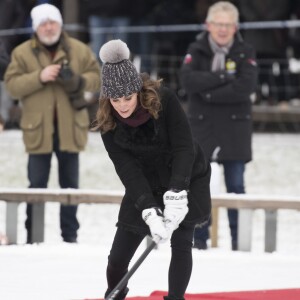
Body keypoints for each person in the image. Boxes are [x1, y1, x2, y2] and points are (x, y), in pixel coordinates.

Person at [94, 39, 211, 300]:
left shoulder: (164, 99)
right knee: (117, 257)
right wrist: (148, 209)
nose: (122, 105)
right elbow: (126, 169)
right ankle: (116, 293)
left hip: (185, 172)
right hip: (144, 180)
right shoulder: (107, 123)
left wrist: (177, 193)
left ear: (138, 90)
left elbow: (184, 147)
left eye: (127, 97)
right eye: (115, 99)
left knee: (181, 243)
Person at [4, 3, 101, 243]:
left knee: (70, 188)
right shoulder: (22, 53)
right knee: (36, 186)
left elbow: (96, 79)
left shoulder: (79, 49)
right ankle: (32, 237)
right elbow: (12, 85)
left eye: (53, 22)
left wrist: (76, 81)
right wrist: (40, 76)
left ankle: (70, 237)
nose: (49, 27)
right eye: (43, 23)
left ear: (60, 24)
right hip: (38, 131)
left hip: (71, 129)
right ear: (36, 28)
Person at [180, 1, 258, 250]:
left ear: (235, 27)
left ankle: (238, 243)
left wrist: (209, 93)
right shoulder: (195, 48)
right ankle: (200, 241)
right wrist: (224, 76)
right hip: (202, 129)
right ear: (208, 25)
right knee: (200, 186)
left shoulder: (246, 51)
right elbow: (188, 81)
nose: (222, 30)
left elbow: (245, 87)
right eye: (218, 24)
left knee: (236, 188)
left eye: (227, 25)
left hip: (235, 130)